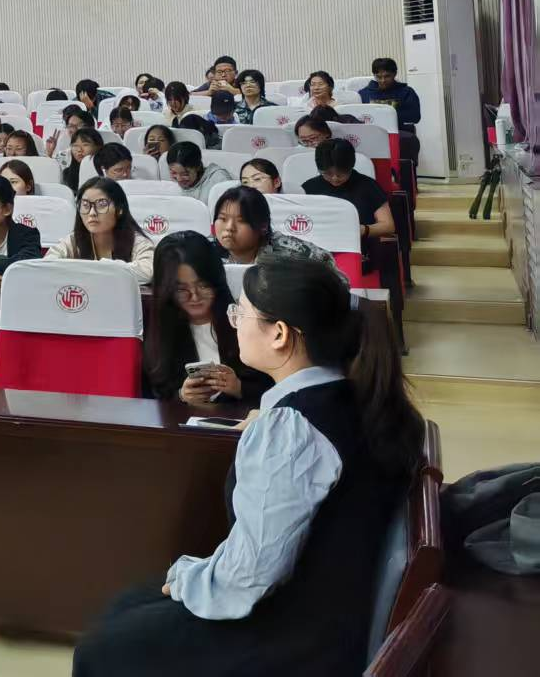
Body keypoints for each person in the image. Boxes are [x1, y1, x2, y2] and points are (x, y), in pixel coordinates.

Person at [74, 255, 423, 677]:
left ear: (279, 334)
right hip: (331, 615)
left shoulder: (293, 428)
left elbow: (249, 576)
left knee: (101, 650)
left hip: (298, 640)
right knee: (130, 607)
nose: (234, 322)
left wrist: (188, 578)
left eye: (240, 312)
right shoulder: (353, 395)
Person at [145, 232, 270, 405]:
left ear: (216, 281)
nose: (195, 297)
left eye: (203, 286)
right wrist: (181, 396)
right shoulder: (157, 332)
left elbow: (273, 387)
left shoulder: (244, 323)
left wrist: (240, 388)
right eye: (182, 290)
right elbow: (150, 396)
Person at [44, 177, 155, 283]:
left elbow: (147, 272)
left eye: (101, 204)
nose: (92, 213)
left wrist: (97, 267)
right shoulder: (73, 241)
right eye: (85, 205)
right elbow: (47, 266)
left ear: (120, 209)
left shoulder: (138, 242)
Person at [213, 188, 339, 270]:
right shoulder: (208, 254)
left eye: (242, 221)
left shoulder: (293, 255)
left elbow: (334, 278)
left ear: (263, 226)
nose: (229, 227)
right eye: (223, 219)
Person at [303, 139, 395, 242]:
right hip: (319, 243)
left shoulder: (368, 185)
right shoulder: (309, 188)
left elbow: (388, 226)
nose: (335, 178)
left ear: (351, 166)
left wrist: (363, 230)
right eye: (328, 173)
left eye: (341, 173)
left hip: (359, 243)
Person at [361, 57, 421, 129]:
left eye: (387, 76)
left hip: (399, 131)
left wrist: (382, 115)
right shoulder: (364, 94)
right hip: (373, 132)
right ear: (374, 75)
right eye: (379, 77)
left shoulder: (407, 92)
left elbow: (415, 117)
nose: (383, 80)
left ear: (395, 74)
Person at [166, 142, 232, 202]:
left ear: (198, 167)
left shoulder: (219, 180)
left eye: (185, 174)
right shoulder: (169, 186)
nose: (179, 179)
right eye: (174, 173)